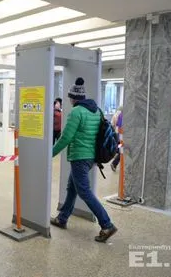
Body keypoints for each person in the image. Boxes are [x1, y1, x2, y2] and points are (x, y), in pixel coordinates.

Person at [50, 77, 118, 243]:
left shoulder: (76, 112)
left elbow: (66, 137)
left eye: (70, 97)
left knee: (84, 191)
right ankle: (62, 217)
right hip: (91, 157)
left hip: (80, 157)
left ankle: (107, 224)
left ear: (73, 97)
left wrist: (49, 154)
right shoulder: (97, 110)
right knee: (72, 188)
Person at [111, 107, 123, 172]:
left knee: (120, 148)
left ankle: (114, 162)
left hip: (119, 134)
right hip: (122, 135)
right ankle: (114, 163)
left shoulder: (119, 115)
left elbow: (116, 124)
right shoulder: (122, 115)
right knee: (121, 150)